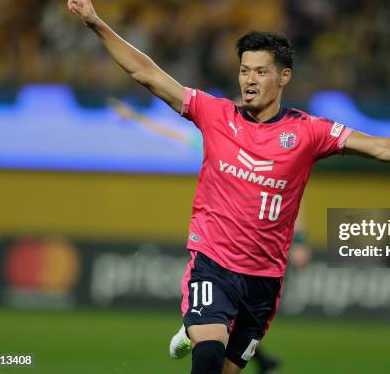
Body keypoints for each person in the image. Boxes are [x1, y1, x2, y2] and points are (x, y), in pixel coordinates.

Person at [64, 0, 390, 374]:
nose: (248, 80)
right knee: (209, 358)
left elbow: (380, 146)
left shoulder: (309, 132)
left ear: (283, 76)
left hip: (263, 281)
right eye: (243, 70)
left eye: (260, 72)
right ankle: (198, 328)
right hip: (212, 263)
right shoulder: (214, 114)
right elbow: (147, 73)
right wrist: (96, 24)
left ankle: (195, 329)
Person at [108, 98, 311, 374]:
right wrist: (137, 118)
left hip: (257, 248)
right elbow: (173, 133)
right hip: (218, 237)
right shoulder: (219, 135)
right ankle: (200, 325)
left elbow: (291, 199)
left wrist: (299, 240)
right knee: (219, 306)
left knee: (239, 316)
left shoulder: (279, 150)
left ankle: (207, 331)